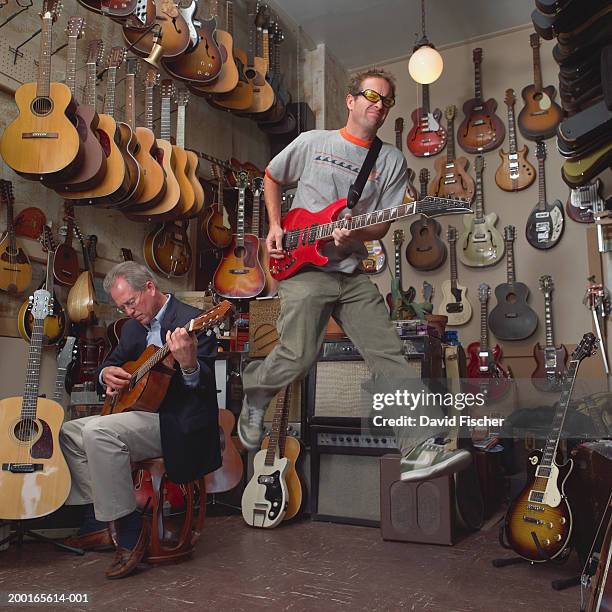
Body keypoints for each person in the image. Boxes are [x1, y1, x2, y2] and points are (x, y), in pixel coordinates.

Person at [239, 68, 470, 481]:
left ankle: (417, 448)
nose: (378, 105)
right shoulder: (315, 143)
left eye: (386, 101)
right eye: (371, 96)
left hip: (351, 270)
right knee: (298, 356)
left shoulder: (391, 160)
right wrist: (275, 226)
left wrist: (355, 231)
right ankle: (255, 391)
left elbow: (381, 226)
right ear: (350, 100)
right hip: (302, 265)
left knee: (390, 354)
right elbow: (272, 176)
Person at [59, 262, 220, 579]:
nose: (129, 312)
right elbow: (112, 363)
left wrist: (189, 365)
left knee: (98, 432)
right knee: (67, 433)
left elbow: (202, 389)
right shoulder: (132, 328)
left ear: (149, 287)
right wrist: (106, 373)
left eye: (130, 303)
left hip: (176, 423)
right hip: (135, 416)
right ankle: (105, 520)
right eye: (122, 307)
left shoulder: (192, 321)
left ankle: (128, 532)